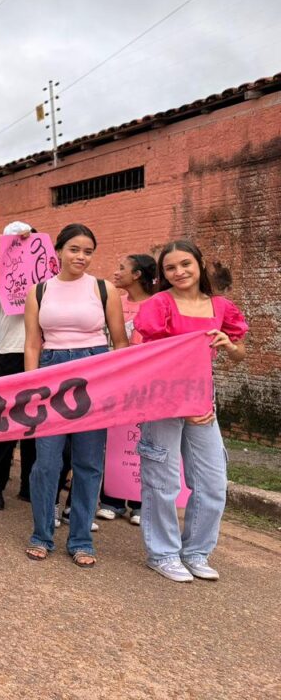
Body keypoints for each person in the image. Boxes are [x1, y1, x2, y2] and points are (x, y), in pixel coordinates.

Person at [134, 240, 247, 583]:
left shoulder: (221, 306)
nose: (179, 272)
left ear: (199, 264)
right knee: (163, 480)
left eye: (185, 264)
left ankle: (196, 551)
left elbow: (239, 352)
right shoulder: (159, 305)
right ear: (162, 274)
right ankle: (163, 554)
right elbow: (152, 359)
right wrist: (182, 406)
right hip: (163, 396)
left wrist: (229, 346)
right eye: (170, 268)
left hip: (201, 397)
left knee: (212, 481)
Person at [23, 224, 127, 567]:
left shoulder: (104, 289)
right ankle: (41, 535)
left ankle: (81, 539)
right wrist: (31, 386)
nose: (81, 257)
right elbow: (32, 343)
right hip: (51, 374)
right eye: (74, 249)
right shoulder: (39, 291)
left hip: (94, 373)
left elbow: (120, 342)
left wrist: (115, 386)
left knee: (88, 462)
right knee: (46, 462)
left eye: (88, 251)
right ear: (58, 251)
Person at [96, 253, 157, 525]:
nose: (116, 272)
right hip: (115, 379)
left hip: (145, 382)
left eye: (122, 268)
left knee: (141, 439)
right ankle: (111, 500)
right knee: (115, 438)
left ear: (137, 275)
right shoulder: (114, 302)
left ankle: (139, 503)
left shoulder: (157, 304)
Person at [0, 221, 38, 510]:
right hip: (13, 351)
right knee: (10, 420)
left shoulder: (45, 264)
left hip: (44, 351)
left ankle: (29, 485)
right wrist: (14, 249)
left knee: (37, 423)